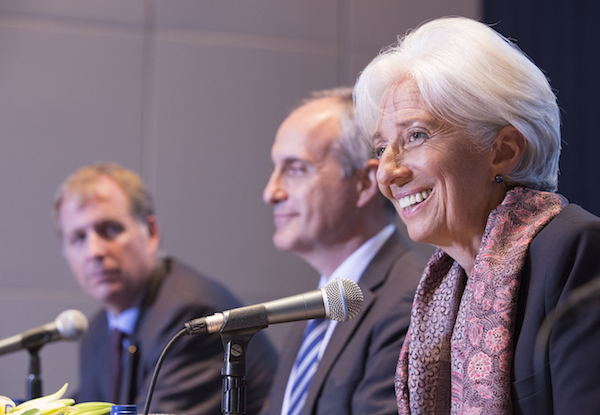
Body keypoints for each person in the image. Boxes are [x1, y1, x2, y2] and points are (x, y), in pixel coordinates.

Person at [354, 16, 600, 415]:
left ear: (503, 150)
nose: (387, 172)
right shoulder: (445, 284)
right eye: (382, 148)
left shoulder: (576, 252)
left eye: (415, 136)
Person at [53, 163, 277, 415]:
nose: (94, 251)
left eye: (110, 230)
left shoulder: (192, 316)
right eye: (79, 238)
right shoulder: (98, 332)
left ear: (150, 232)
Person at [260, 87, 426, 415]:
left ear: (365, 183)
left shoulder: (410, 304)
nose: (271, 192)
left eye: (295, 169)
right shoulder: (311, 315)